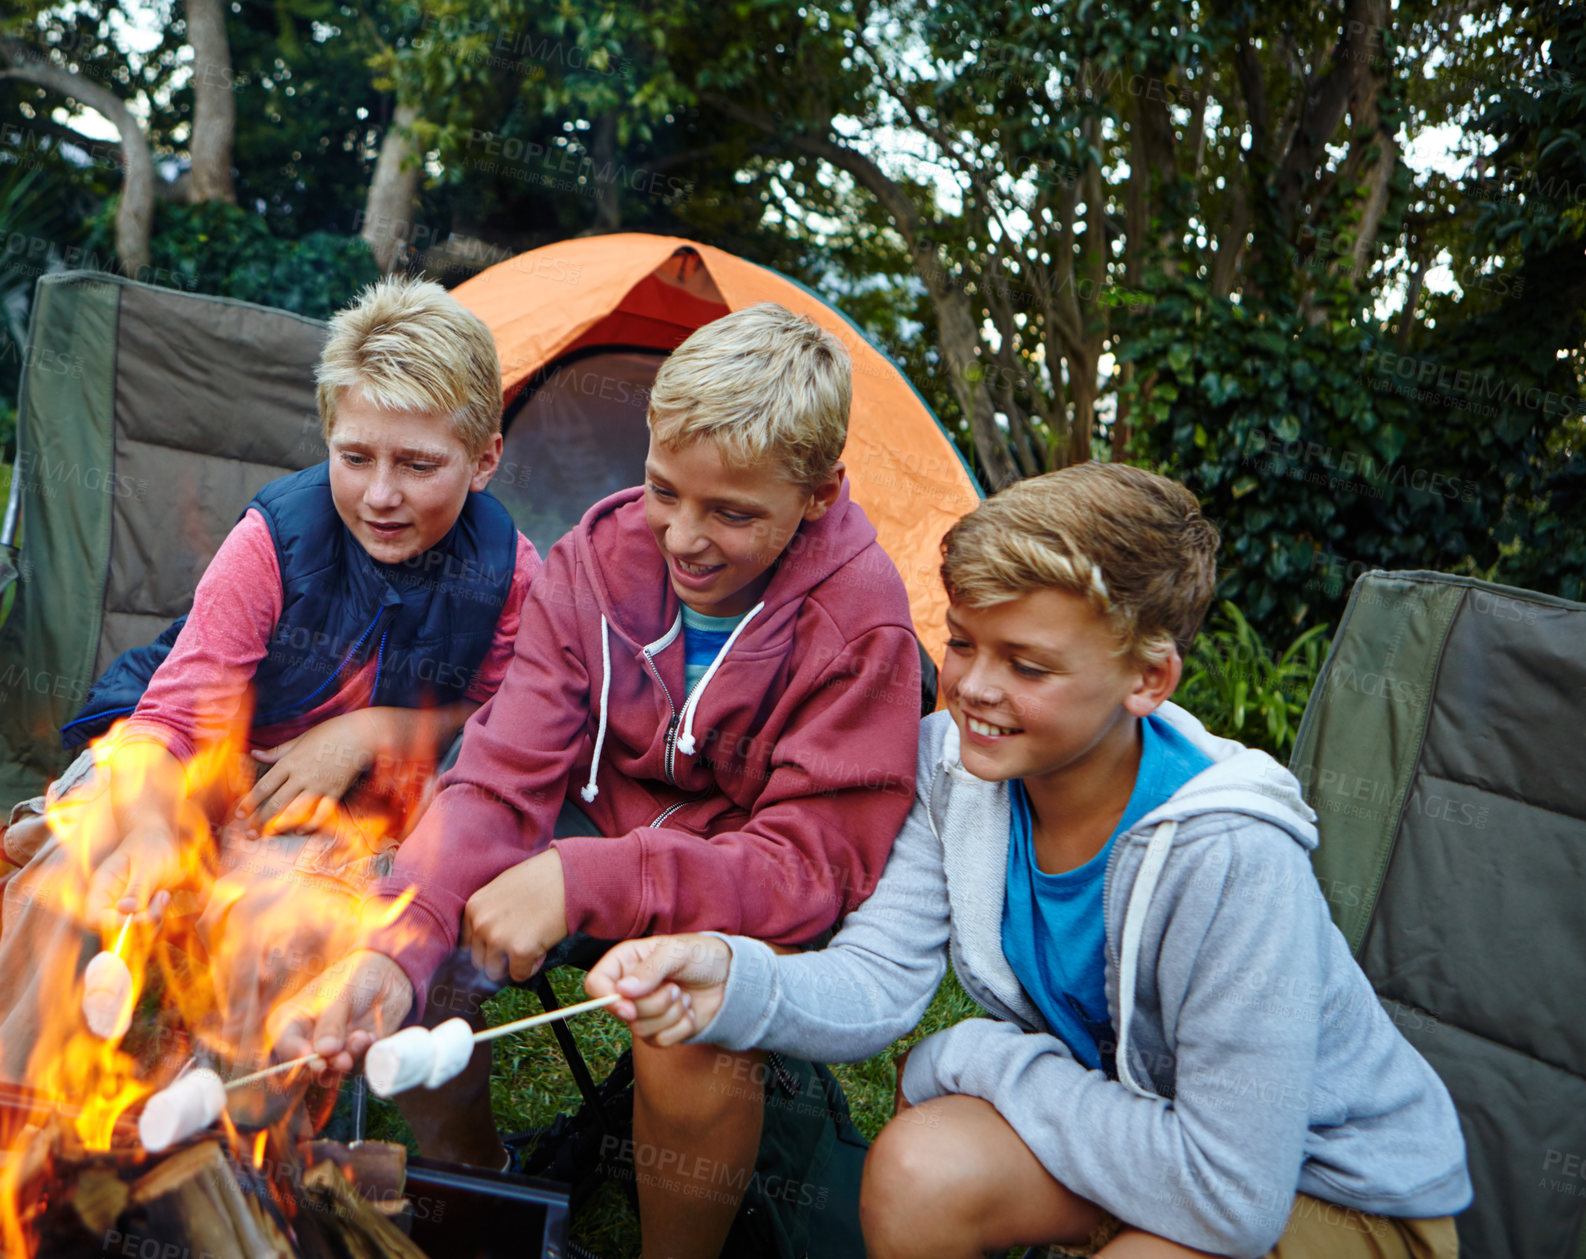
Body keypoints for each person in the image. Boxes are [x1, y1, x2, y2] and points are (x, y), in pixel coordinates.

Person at [587, 462, 1472, 1259]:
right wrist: (727, 977)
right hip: (1146, 1136)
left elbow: (1232, 1198)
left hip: (1335, 1195)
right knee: (920, 1170)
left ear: (1148, 681)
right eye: (964, 641)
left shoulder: (1231, 856)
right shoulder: (954, 773)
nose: (973, 687)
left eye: (1029, 665)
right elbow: (879, 979)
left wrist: (980, 1056)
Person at [275, 302, 922, 1259]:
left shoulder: (864, 627)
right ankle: (484, 1187)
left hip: (736, 893)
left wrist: (590, 881)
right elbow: (499, 776)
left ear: (821, 494)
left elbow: (807, 868)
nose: (685, 537)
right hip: (595, 827)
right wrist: (397, 941)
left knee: (689, 1024)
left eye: (733, 512)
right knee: (427, 927)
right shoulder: (596, 559)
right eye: (665, 489)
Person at [0, 275, 538, 1078]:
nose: (381, 494)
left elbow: (503, 732)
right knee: (63, 876)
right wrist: (152, 828)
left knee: (281, 922)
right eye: (354, 457)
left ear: (485, 459)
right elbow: (167, 724)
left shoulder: (509, 577)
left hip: (342, 812)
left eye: (418, 464)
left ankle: (219, 1151)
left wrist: (379, 729)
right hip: (188, 754)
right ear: (326, 437)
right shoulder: (273, 542)